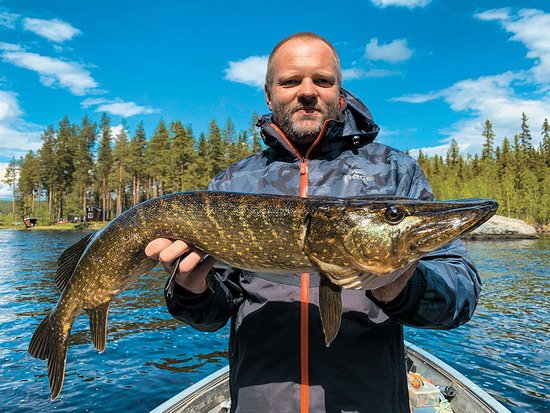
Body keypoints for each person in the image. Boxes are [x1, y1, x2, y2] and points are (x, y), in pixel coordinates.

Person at [145, 33, 481, 413]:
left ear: (340, 93)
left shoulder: (394, 172)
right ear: (269, 94)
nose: (307, 92)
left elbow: (461, 294)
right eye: (290, 81)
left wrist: (404, 288)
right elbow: (214, 314)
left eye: (322, 80)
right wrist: (191, 289)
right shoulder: (232, 184)